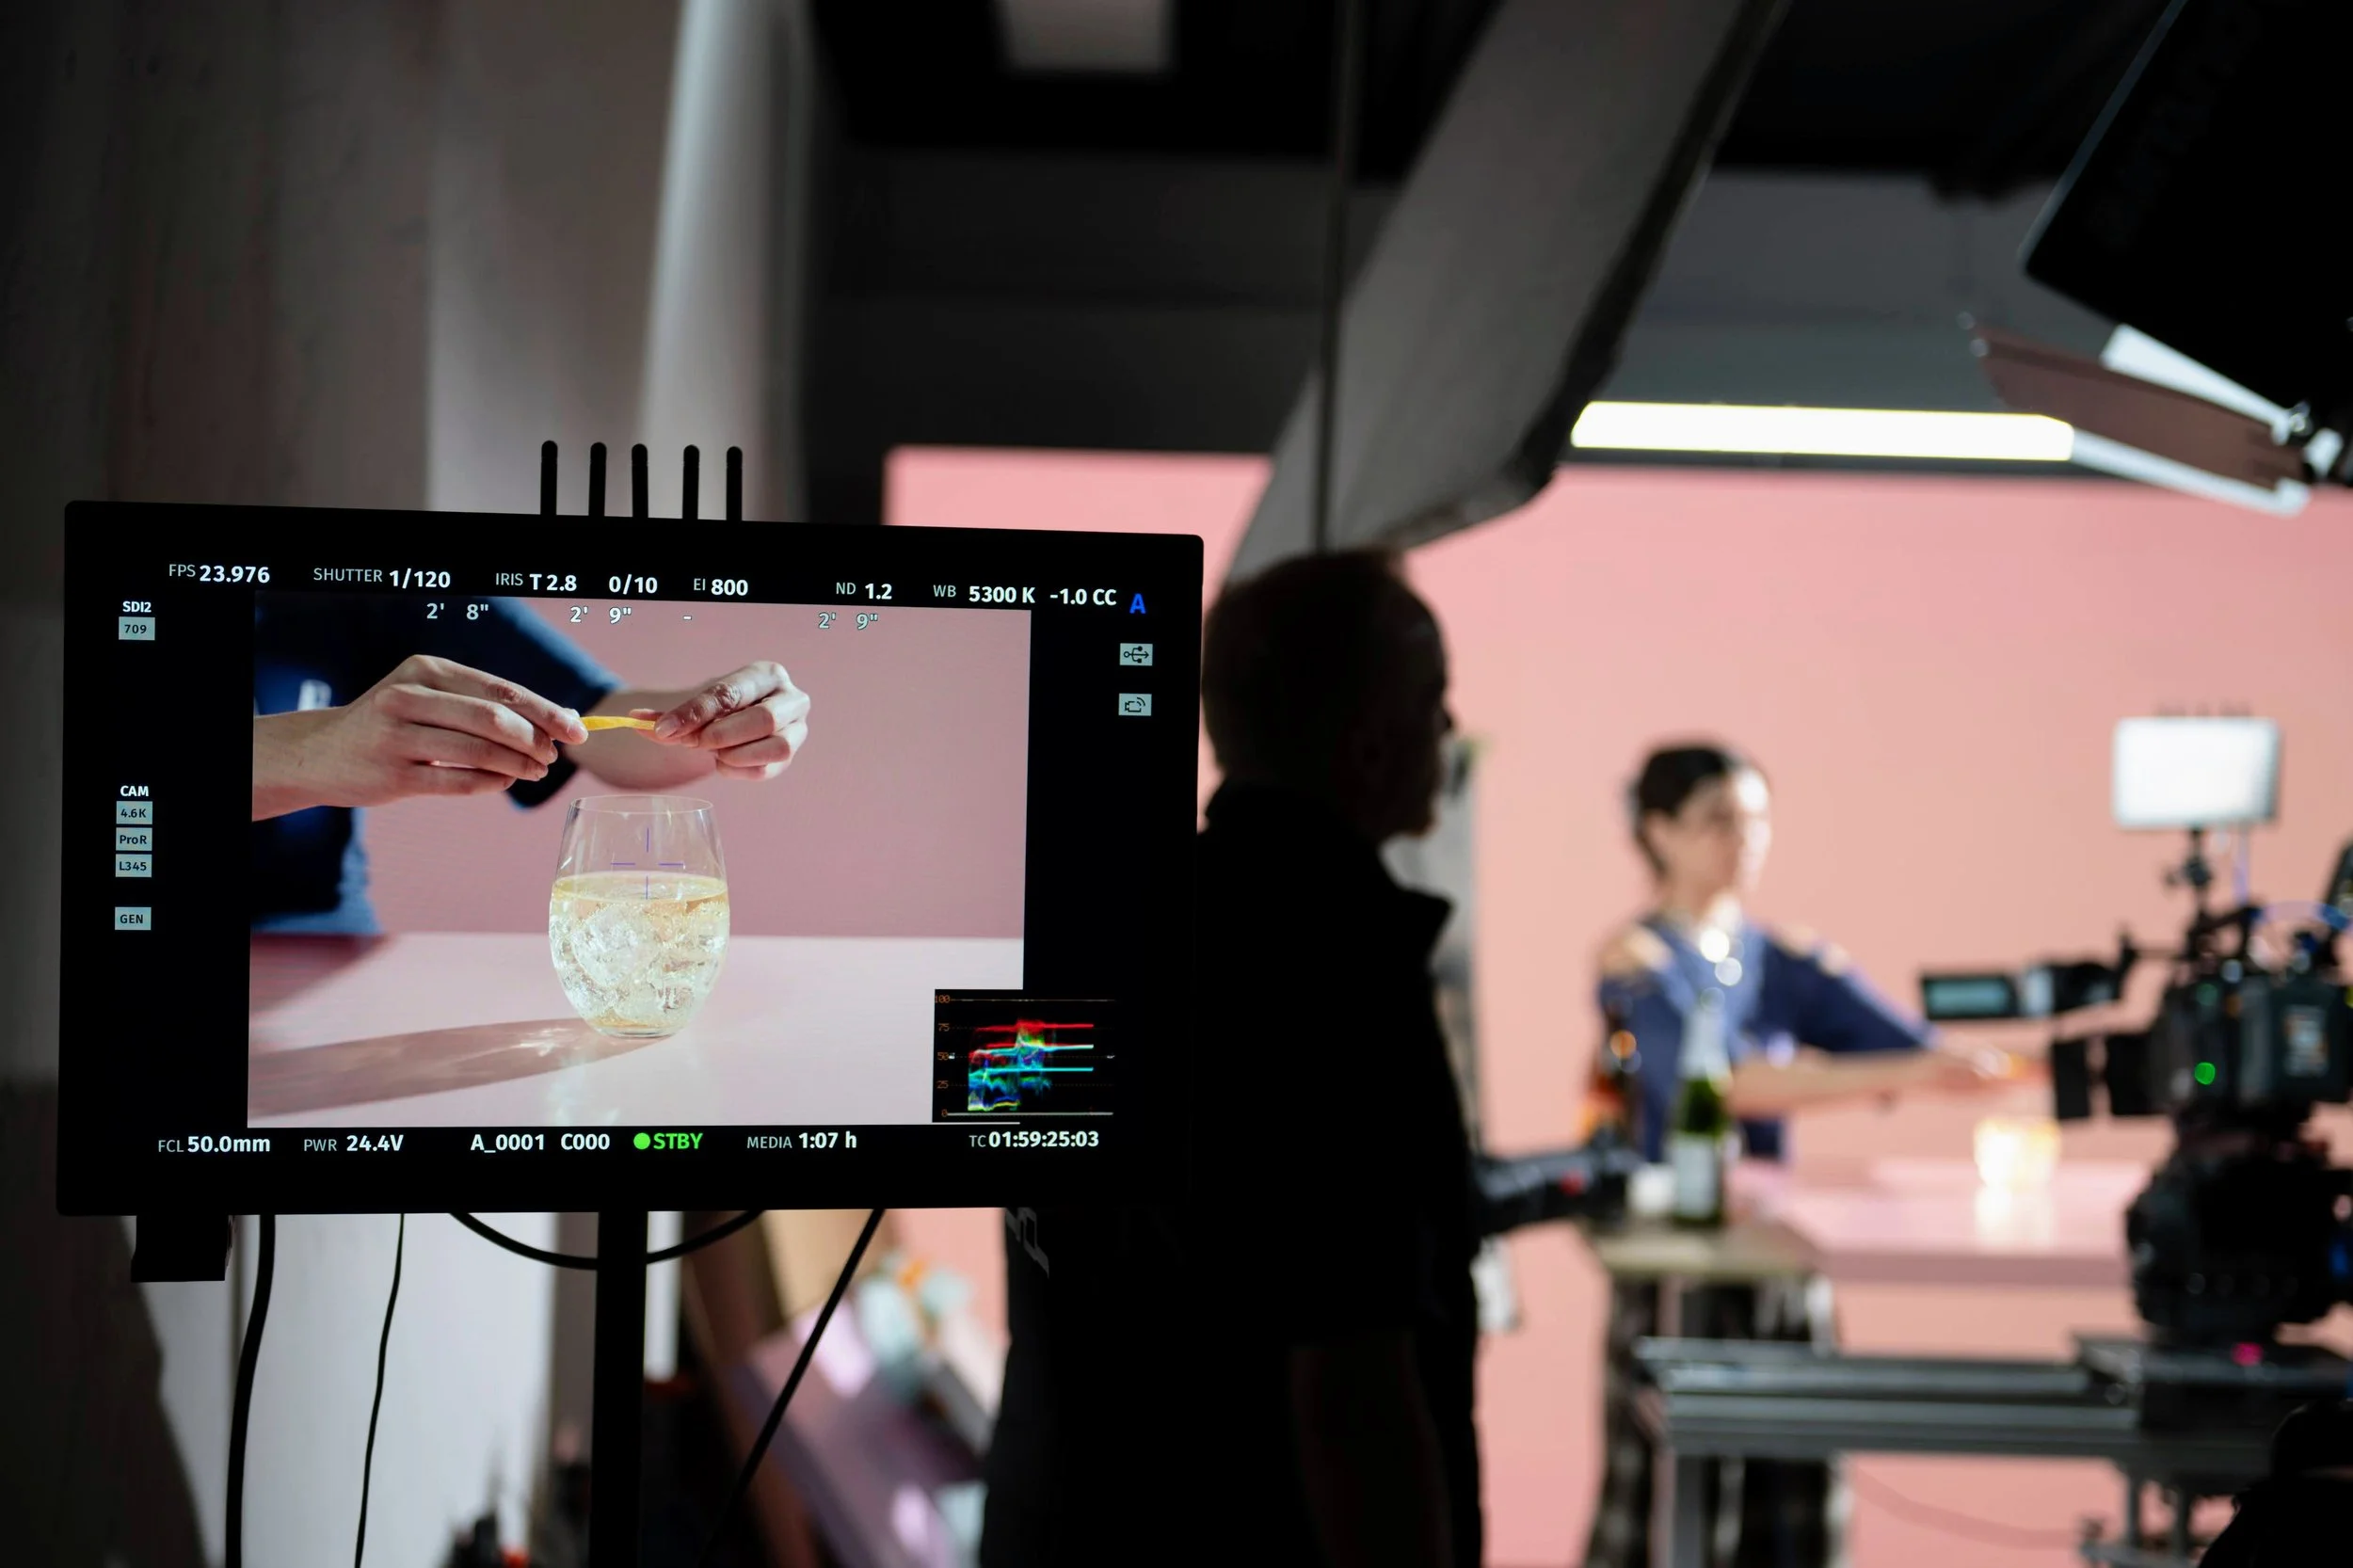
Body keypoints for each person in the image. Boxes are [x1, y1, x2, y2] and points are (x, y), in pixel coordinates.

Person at [982, 552, 1480, 1568]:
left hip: (1069, 1513)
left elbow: (1052, 1238)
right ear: (1373, 744)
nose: (1450, 730)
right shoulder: (1339, 960)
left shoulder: (1087, 918)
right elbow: (1350, 1386)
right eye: (1436, 701)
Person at [1582, 741, 2021, 1568]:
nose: (1740, 841)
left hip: (1775, 1255)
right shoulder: (1636, 962)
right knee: (1671, 1491)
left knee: (1791, 1488)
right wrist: (1907, 1072)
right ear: (1659, 830)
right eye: (1717, 821)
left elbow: (1906, 1045)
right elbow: (1714, 1085)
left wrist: (1979, 1065)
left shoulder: (1782, 958)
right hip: (1679, 1261)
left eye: (1754, 822)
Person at [250, 595, 808, 932]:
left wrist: (719, 717)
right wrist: (309, 750)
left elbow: (591, 720)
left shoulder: (366, 588)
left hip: (318, 943)